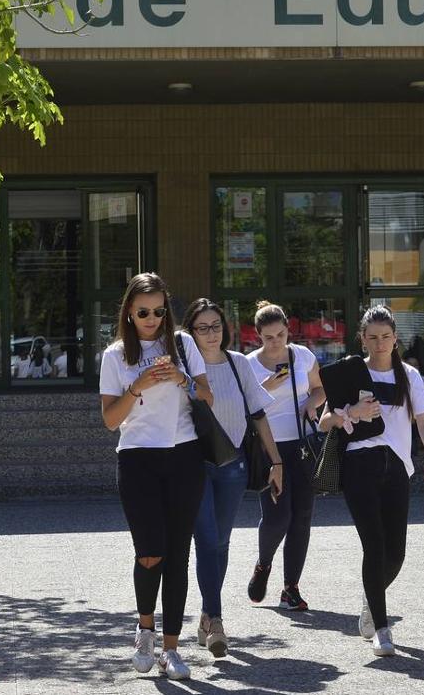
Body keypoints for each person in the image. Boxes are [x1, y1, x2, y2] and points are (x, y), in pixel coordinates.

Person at [99, 273, 213, 681]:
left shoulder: (182, 345)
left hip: (183, 454)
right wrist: (139, 384)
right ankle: (144, 629)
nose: (151, 318)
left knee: (179, 553)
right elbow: (110, 420)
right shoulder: (115, 355)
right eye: (143, 311)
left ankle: (170, 648)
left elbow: (208, 395)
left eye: (159, 311)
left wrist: (181, 377)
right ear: (129, 311)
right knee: (150, 551)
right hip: (137, 458)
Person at [320, 306, 424, 657]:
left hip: (397, 467)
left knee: (395, 553)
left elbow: (422, 421)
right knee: (374, 546)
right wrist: (350, 414)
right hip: (360, 463)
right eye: (372, 337)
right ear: (362, 338)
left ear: (395, 339)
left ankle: (370, 600)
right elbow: (323, 421)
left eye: (385, 336)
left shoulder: (409, 376)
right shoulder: (350, 372)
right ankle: (382, 627)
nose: (379, 343)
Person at [182, 298, 284, 659]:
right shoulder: (183, 368)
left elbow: (258, 415)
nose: (211, 334)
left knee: (220, 543)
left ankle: (206, 614)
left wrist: (277, 462)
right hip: (193, 466)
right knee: (208, 539)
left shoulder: (237, 363)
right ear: (189, 332)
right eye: (202, 327)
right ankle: (218, 621)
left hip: (233, 466)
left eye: (216, 326)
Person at [246, 300, 327, 611]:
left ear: (288, 331)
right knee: (278, 517)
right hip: (269, 448)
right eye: (268, 337)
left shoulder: (303, 357)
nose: (276, 342)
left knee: (302, 516)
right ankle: (263, 564)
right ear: (258, 337)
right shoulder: (250, 364)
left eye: (280, 335)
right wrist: (268, 385)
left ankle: (291, 587)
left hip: (302, 445)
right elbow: (246, 409)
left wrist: (312, 404)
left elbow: (321, 388)